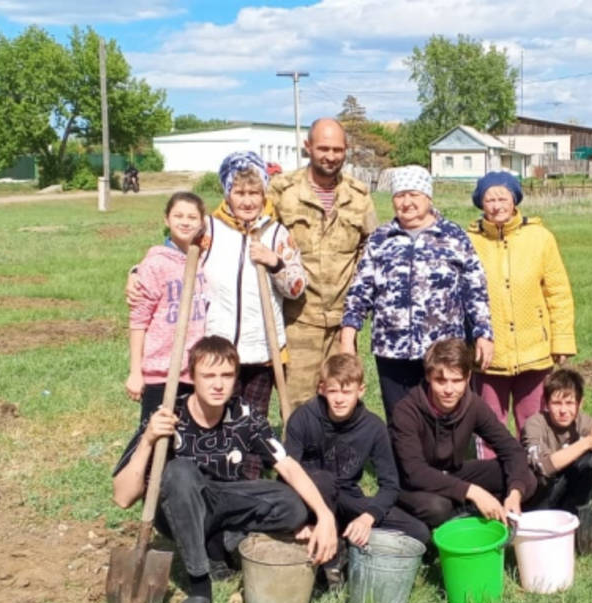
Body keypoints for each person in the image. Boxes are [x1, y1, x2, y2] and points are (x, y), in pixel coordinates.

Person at [112, 336, 337, 603]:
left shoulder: (242, 415)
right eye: (209, 376)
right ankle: (199, 585)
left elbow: (288, 466)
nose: (218, 384)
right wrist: (148, 440)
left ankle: (222, 541)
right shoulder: (169, 415)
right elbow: (123, 496)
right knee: (179, 472)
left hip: (224, 502)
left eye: (227, 375)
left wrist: (323, 515)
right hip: (179, 508)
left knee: (292, 504)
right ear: (193, 378)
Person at [127, 151, 306, 416]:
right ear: (227, 194)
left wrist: (274, 262)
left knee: (254, 422)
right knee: (217, 422)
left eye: (254, 193)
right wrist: (136, 271)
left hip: (262, 348)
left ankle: (256, 459)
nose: (247, 201)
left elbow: (296, 288)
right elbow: (175, 256)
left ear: (264, 194)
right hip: (218, 349)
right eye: (239, 193)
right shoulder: (210, 228)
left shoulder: (277, 233)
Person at [340, 165, 494, 421]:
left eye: (414, 195)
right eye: (400, 196)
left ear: (428, 197)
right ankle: (404, 463)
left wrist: (483, 333)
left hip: (442, 349)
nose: (407, 202)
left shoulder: (453, 236)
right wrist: (348, 334)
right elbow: (361, 288)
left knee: (443, 418)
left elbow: (475, 289)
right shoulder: (381, 238)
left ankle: (443, 463)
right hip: (392, 349)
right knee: (400, 420)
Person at [284, 353, 429, 577]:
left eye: (347, 391)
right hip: (312, 501)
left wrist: (367, 517)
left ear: (360, 391)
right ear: (322, 389)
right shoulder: (303, 418)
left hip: (347, 498)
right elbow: (287, 475)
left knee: (418, 532)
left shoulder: (373, 426)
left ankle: (345, 538)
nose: (339, 399)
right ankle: (328, 555)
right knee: (323, 480)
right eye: (333, 391)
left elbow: (390, 484)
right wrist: (299, 520)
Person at [268, 118, 378, 411]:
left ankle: (338, 457)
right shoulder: (281, 192)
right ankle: (298, 457)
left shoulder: (359, 196)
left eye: (338, 149)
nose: (330, 156)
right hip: (298, 319)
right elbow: (247, 232)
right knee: (298, 404)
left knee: (341, 399)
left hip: (344, 323)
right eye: (323, 148)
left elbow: (372, 249)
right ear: (308, 147)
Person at [467, 171, 576, 459]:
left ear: (515, 199)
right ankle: (493, 484)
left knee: (533, 422)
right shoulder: (469, 240)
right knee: (489, 425)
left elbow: (558, 292)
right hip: (488, 356)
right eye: (489, 199)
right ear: (480, 204)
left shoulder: (540, 238)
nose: (497, 205)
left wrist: (562, 340)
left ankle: (533, 483)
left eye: (503, 197)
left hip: (534, 352)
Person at [389, 339, 537, 529]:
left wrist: (515, 491)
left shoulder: (473, 405)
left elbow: (511, 448)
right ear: (428, 377)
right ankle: (457, 520)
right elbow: (414, 472)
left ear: (468, 378)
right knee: (438, 507)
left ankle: (478, 514)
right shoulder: (406, 411)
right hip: (412, 484)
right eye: (440, 381)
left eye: (457, 381)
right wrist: (473, 492)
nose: (449, 390)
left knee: (526, 479)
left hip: (452, 472)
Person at [124, 192, 209, 427]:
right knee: (153, 436)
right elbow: (138, 320)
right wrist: (135, 372)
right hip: (161, 371)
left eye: (192, 217)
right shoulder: (155, 263)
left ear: (202, 222)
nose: (185, 221)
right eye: (178, 215)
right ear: (166, 219)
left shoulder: (204, 260)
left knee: (187, 439)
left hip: (194, 371)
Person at [523, 368, 592, 513]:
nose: (563, 410)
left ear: (580, 404)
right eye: (556, 403)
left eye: (569, 403)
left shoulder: (585, 423)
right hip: (538, 496)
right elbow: (544, 467)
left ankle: (577, 511)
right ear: (546, 403)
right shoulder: (535, 424)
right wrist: (587, 443)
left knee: (591, 461)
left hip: (571, 492)